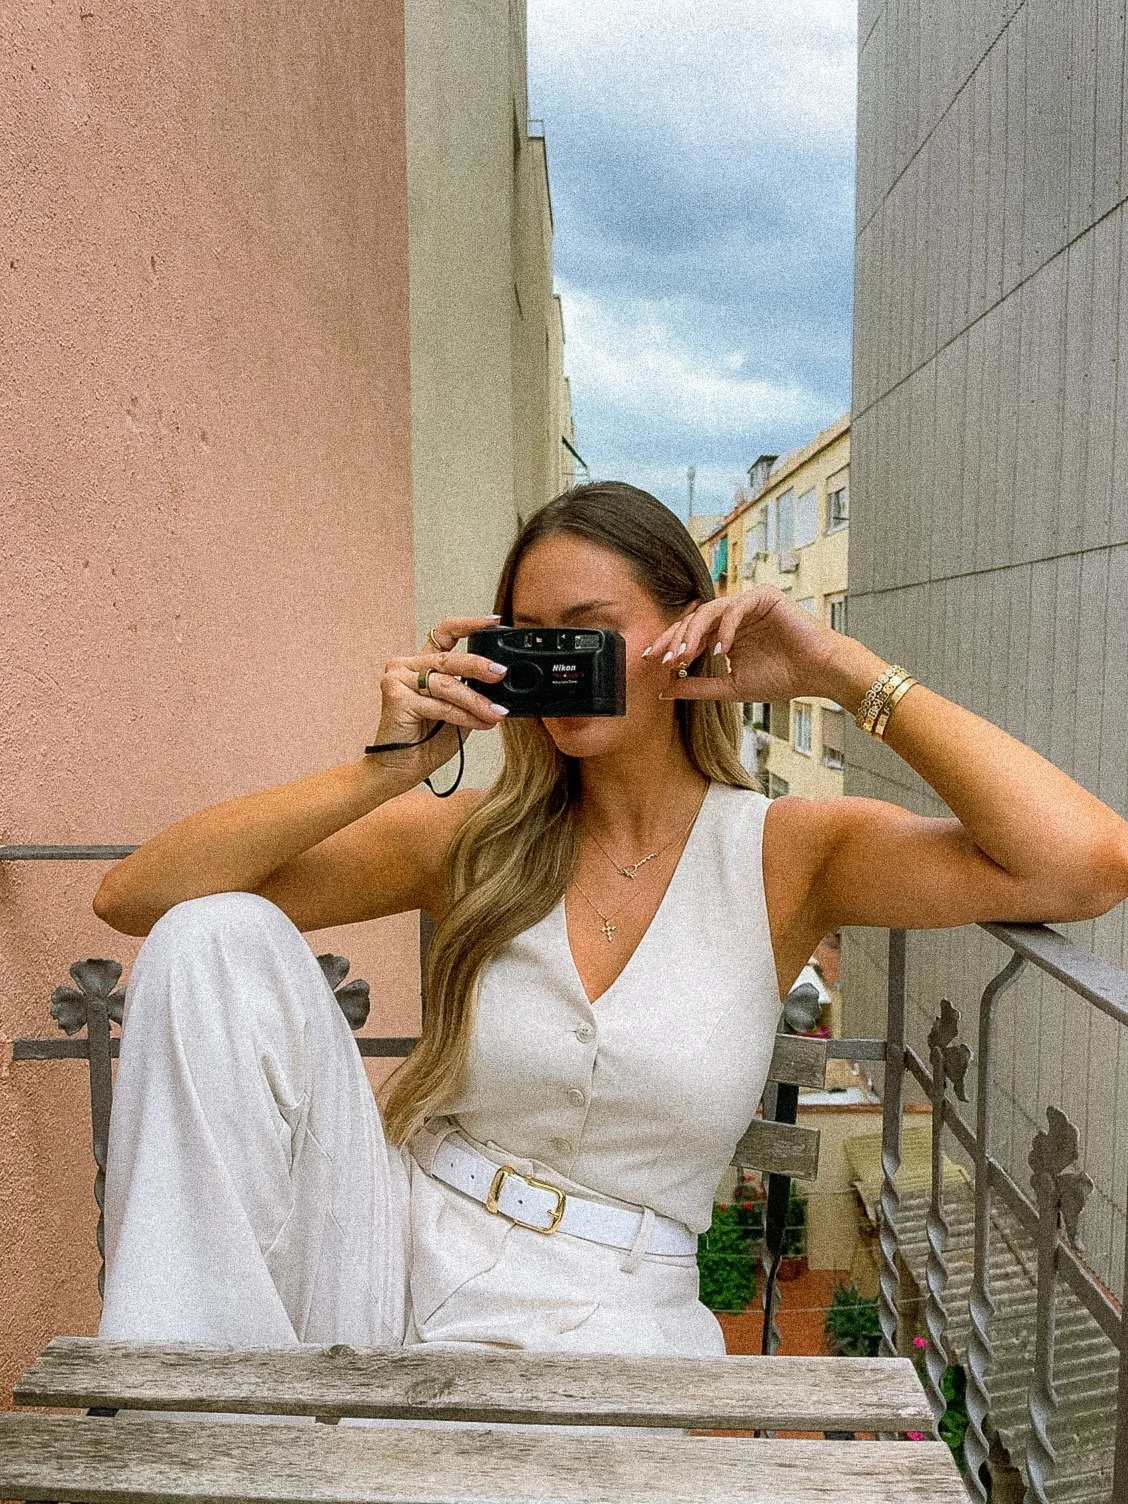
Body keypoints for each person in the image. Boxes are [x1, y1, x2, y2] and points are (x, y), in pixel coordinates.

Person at [92, 481, 1128, 1356]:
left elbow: (1084, 862)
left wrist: (837, 672)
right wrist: (391, 767)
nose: (557, 661)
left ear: (688, 626)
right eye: (528, 638)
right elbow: (142, 899)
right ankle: (181, 1419)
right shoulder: (471, 840)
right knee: (211, 939)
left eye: (587, 630)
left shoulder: (788, 853)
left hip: (617, 1302)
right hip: (392, 1238)